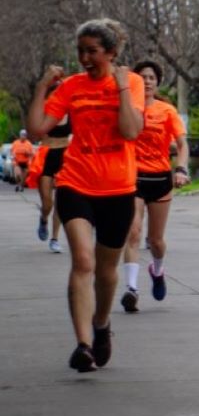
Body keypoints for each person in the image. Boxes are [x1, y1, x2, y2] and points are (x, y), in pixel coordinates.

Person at [27, 19, 144, 373]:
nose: (85, 58)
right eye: (81, 51)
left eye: (92, 51)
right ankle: (82, 345)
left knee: (107, 270)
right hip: (76, 182)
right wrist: (42, 87)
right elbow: (37, 130)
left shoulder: (133, 82)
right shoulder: (72, 87)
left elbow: (130, 131)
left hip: (118, 188)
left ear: (111, 52)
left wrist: (122, 88)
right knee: (83, 261)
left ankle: (102, 324)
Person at [119, 61, 190, 313]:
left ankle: (157, 271)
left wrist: (181, 169)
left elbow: (182, 145)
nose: (147, 81)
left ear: (157, 82)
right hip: (133, 177)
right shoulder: (127, 109)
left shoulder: (167, 111)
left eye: (151, 77)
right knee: (133, 232)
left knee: (156, 240)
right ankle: (131, 289)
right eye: (142, 77)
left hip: (160, 179)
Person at [34, 109, 72, 253]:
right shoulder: (46, 112)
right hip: (46, 156)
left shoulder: (72, 112)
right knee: (47, 203)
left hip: (65, 156)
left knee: (60, 200)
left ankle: (54, 239)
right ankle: (43, 218)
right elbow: (36, 131)